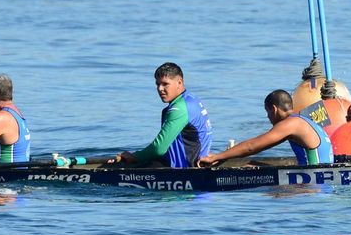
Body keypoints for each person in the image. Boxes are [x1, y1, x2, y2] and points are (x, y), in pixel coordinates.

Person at [198, 89, 332, 168]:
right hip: (317, 177)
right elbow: (261, 144)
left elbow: (251, 147)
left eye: (267, 112)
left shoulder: (291, 124)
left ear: (274, 109)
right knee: (254, 165)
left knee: (273, 195)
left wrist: (215, 157)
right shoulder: (304, 119)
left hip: (314, 186)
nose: (268, 117)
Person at [116, 62, 212, 168]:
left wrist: (135, 156)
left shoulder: (179, 108)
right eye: (157, 84)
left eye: (165, 84)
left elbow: (159, 149)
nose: (160, 89)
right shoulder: (192, 99)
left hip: (188, 171)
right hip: (194, 163)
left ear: (179, 82)